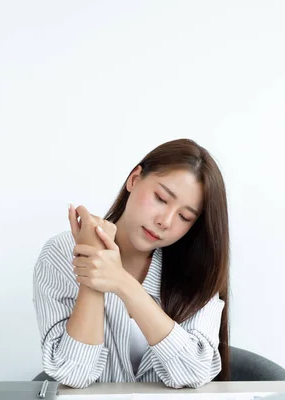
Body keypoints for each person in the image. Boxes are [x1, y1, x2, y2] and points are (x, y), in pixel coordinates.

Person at [33, 138, 230, 389]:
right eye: (160, 198)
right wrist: (93, 269)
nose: (166, 221)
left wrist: (123, 284)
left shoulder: (198, 268)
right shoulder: (60, 254)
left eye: (184, 216)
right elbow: (73, 374)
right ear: (134, 179)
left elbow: (195, 372)